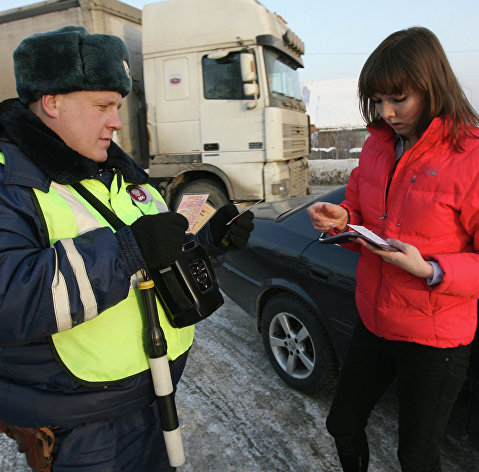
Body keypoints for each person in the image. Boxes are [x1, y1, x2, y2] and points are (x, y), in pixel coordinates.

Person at [0, 25, 253, 471]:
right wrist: (128, 250)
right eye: (102, 106)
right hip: (83, 425)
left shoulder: (121, 172)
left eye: (118, 106)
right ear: (51, 101)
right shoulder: (10, 181)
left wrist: (209, 244)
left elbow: (154, 261)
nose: (116, 121)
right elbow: (9, 298)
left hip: (154, 396)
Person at [307, 27, 479, 472]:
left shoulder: (471, 157)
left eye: (398, 99)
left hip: (435, 335)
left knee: (417, 457)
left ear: (432, 85)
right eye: (378, 100)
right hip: (375, 318)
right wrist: (342, 218)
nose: (386, 113)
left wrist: (431, 269)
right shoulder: (377, 145)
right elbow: (361, 209)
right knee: (342, 424)